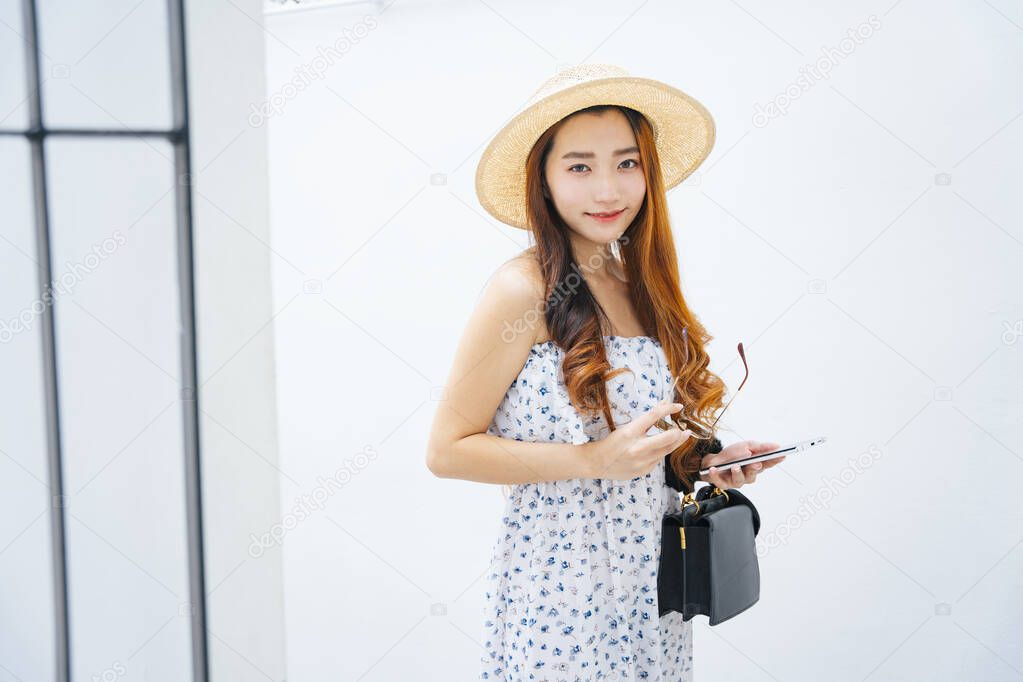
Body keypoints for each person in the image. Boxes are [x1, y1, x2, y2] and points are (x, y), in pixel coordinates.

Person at [426, 64, 785, 681]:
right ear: (543, 178)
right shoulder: (522, 289)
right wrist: (593, 464)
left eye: (626, 163)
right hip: (560, 593)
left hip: (651, 589)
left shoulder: (638, 284)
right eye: (579, 167)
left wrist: (704, 459)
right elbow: (447, 451)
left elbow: (629, 443)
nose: (607, 191)